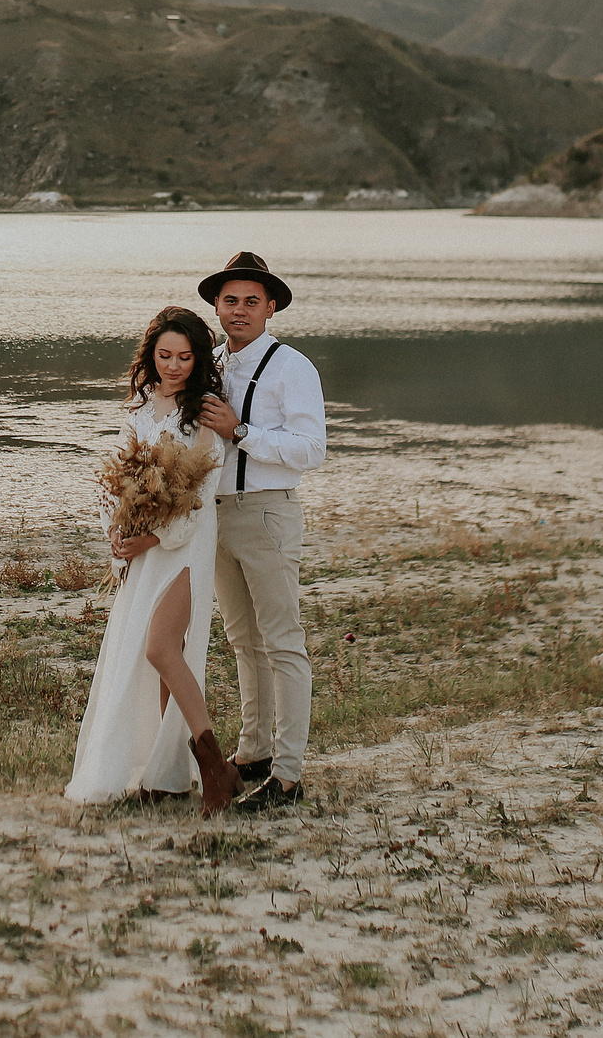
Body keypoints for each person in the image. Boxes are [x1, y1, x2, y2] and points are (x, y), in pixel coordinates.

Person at [64, 305, 243, 813]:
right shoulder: (141, 406)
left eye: (185, 356)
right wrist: (118, 532)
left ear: (199, 358)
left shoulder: (206, 408)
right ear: (151, 356)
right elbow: (117, 476)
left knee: (162, 649)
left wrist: (155, 538)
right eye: (165, 355)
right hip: (141, 545)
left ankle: (216, 766)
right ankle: (169, 775)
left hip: (184, 544)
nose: (174, 365)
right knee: (163, 662)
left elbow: (201, 490)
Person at [196, 251, 324, 811]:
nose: (240, 309)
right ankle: (254, 752)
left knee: (283, 642)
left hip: (268, 511)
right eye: (231, 300)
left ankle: (290, 774)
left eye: (252, 300)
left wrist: (242, 430)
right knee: (242, 640)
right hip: (216, 516)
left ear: (271, 306)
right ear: (217, 307)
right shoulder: (213, 363)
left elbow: (311, 449)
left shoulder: (292, 367)